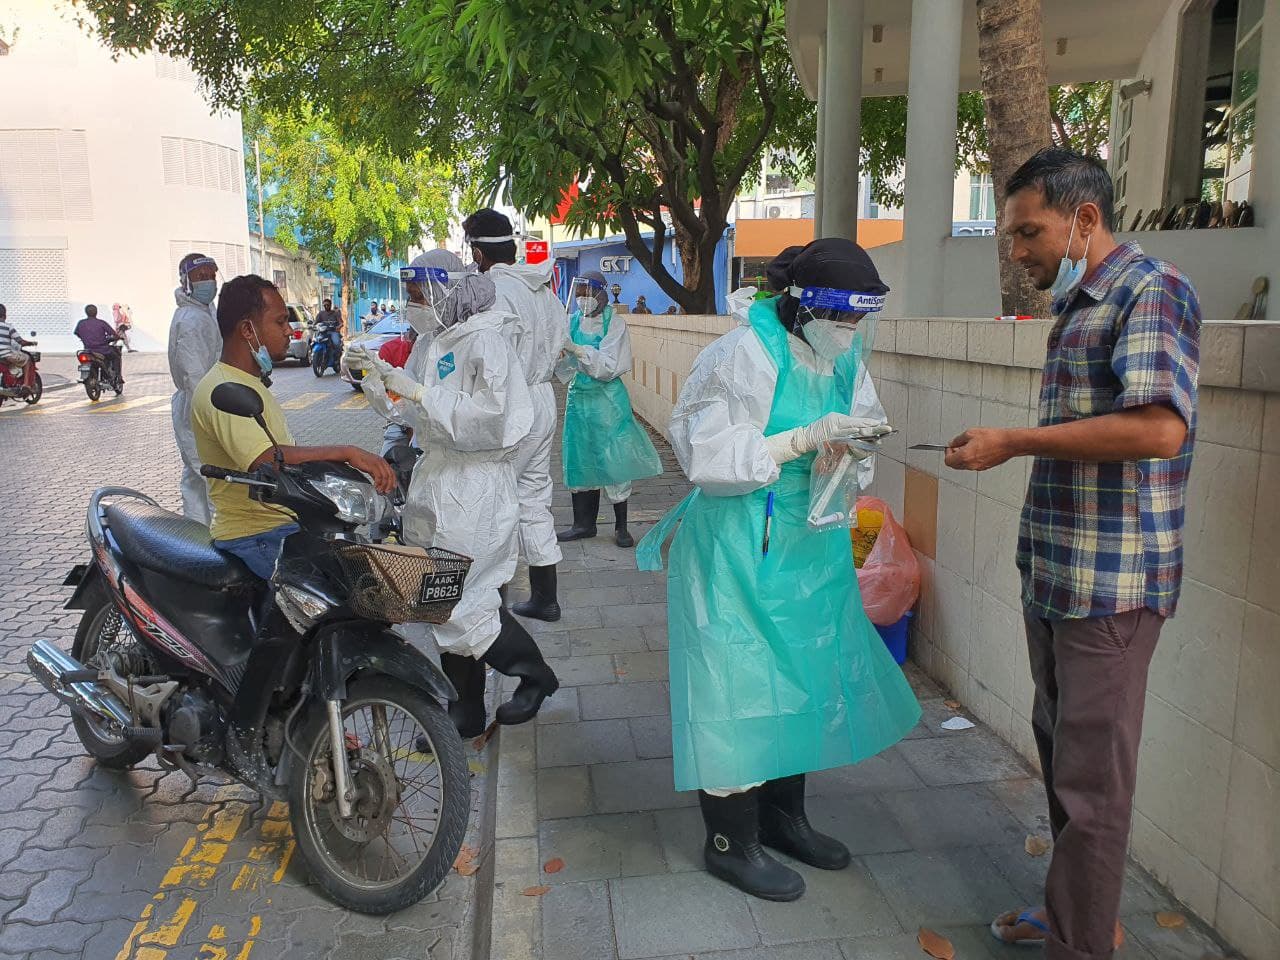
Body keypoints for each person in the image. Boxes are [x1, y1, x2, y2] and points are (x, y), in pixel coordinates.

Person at [944, 149, 1200, 960]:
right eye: (1012, 236)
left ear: (1085, 219)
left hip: (1111, 589)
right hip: (1057, 576)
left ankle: (1080, 945)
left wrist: (1015, 441)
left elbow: (1161, 427)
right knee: (1065, 766)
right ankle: (1078, 919)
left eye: (1030, 232)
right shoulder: (1080, 304)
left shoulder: (1150, 290)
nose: (1017, 252)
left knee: (1093, 790)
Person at [637, 238, 920, 903]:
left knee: (802, 681)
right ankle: (730, 842)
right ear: (802, 306)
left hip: (810, 545)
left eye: (859, 318)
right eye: (840, 315)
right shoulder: (742, 356)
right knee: (735, 688)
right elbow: (704, 454)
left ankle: (784, 819)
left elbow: (862, 425)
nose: (849, 330)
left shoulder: (844, 358)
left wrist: (852, 451)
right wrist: (799, 440)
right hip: (739, 545)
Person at [362, 269, 560, 737]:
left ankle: (535, 676)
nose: (413, 305)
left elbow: (494, 419)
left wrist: (420, 392)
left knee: (461, 599)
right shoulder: (436, 342)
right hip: (438, 479)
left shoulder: (487, 342)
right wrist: (374, 377)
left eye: (418, 295)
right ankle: (464, 710)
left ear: (444, 293)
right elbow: (412, 412)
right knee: (440, 598)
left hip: (476, 486)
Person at [191, 275, 395, 579]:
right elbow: (266, 459)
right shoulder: (223, 388)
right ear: (247, 330)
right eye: (280, 321)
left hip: (283, 524)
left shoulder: (248, 381)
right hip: (254, 535)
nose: (289, 330)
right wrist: (347, 452)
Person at [463, 208, 568, 622]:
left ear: (477, 252)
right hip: (543, 399)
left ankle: (495, 606)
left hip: (511, 404)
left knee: (495, 500)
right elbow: (562, 344)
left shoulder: (491, 290)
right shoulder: (541, 289)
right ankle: (545, 597)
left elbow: (487, 359)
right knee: (534, 497)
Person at [556, 271, 662, 548]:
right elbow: (563, 366)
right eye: (579, 293)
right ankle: (583, 524)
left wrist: (579, 351)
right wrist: (561, 355)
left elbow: (610, 365)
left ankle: (621, 527)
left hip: (607, 402)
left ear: (600, 293)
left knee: (614, 459)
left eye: (587, 292)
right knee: (579, 457)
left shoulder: (614, 323)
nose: (582, 298)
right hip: (579, 400)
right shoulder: (572, 321)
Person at [169, 253, 223, 525]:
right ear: (186, 281)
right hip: (200, 406)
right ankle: (216, 537)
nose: (209, 282)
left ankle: (196, 532)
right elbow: (194, 375)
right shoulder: (191, 320)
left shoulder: (205, 312)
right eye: (201, 276)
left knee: (195, 478)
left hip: (203, 404)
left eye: (212, 275)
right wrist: (210, 413)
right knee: (213, 478)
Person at [376, 325, 416, 457]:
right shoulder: (390, 350)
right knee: (387, 463)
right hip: (399, 420)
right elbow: (386, 393)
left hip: (434, 423)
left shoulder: (442, 352)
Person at [74, 305, 123, 385]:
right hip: (103, 350)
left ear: (86, 312)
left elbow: (77, 333)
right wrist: (116, 337)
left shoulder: (81, 323)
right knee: (116, 356)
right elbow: (113, 334)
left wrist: (84, 338)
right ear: (96, 312)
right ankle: (118, 377)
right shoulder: (101, 323)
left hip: (88, 350)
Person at [0, 304, 34, 376]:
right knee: (27, 359)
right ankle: (26, 382)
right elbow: (21, 342)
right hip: (5, 356)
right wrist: (31, 343)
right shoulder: (8, 327)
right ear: (5, 316)